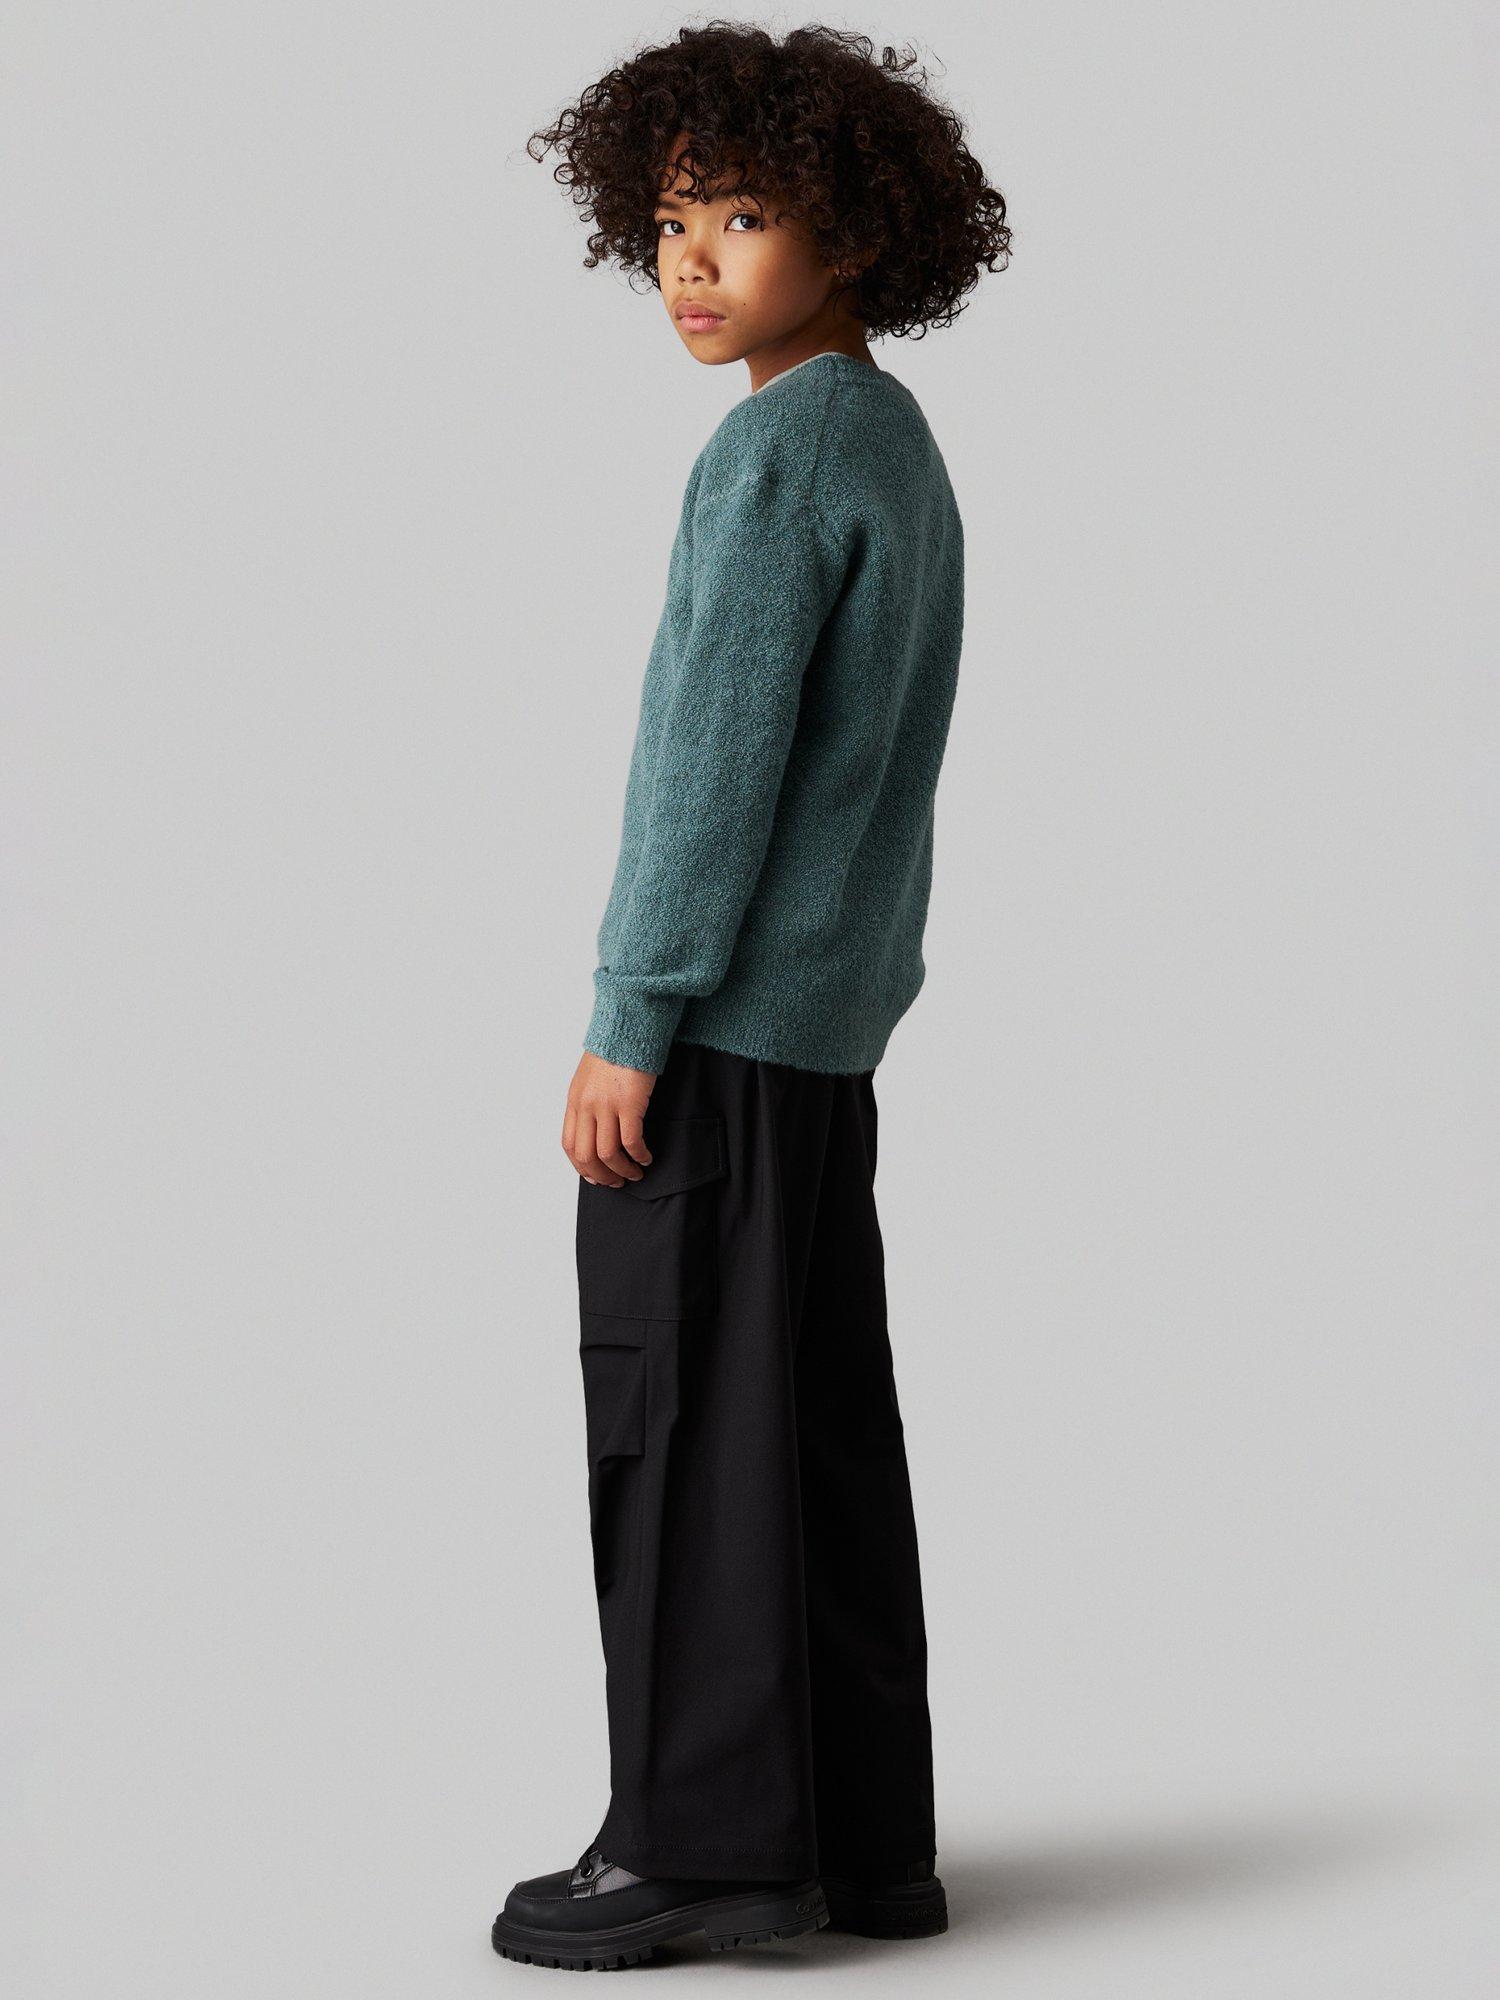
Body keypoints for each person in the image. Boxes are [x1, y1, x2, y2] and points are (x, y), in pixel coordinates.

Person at [494, 21, 1010, 1972]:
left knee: (688, 1433)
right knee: (811, 1433)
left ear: (855, 234)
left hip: (718, 1037)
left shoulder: (779, 448)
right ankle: (862, 1848)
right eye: (666, 223)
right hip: (824, 1040)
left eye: (742, 216)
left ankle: (703, 1848)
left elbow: (714, 765)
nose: (691, 261)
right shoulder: (891, 438)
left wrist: (631, 1012)